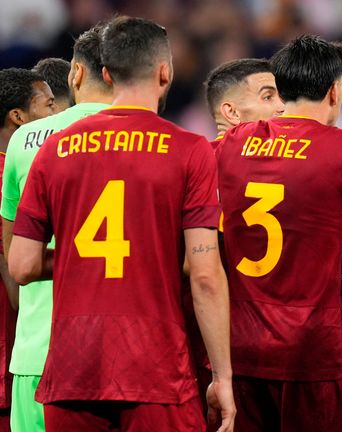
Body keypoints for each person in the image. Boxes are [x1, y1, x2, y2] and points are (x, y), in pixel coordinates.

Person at [7, 16, 235, 431]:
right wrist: (222, 377)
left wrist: (82, 258)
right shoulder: (190, 150)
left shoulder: (53, 149)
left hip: (71, 368)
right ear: (165, 72)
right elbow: (204, 275)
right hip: (156, 367)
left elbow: (21, 266)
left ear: (107, 74)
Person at [216, 34, 342, 431]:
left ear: (280, 90)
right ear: (334, 91)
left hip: (243, 351)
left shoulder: (232, 143)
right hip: (311, 354)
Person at [1, 24, 112, 432]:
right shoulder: (162, 140)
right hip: (120, 354)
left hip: (36, 347)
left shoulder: (25, 140)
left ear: (75, 74)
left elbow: (15, 260)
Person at [0, 67, 55, 432]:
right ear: (19, 116)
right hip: (13, 356)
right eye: (49, 105)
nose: (57, 115)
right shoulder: (13, 174)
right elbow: (17, 289)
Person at [203, 58, 284, 149]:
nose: (283, 107)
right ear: (232, 112)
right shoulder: (202, 161)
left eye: (283, 97)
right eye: (267, 97)